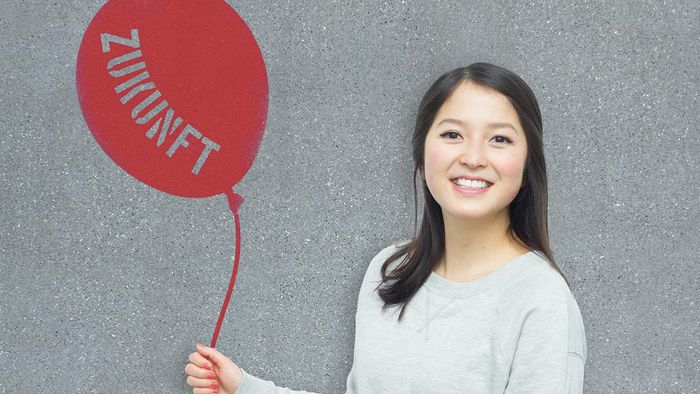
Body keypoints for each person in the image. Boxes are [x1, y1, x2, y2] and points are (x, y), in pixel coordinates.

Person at [184, 62, 587, 393]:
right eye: (452, 134)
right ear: (421, 151)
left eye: (499, 139)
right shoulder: (389, 271)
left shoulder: (540, 299)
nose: (474, 157)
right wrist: (244, 387)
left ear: (527, 162)